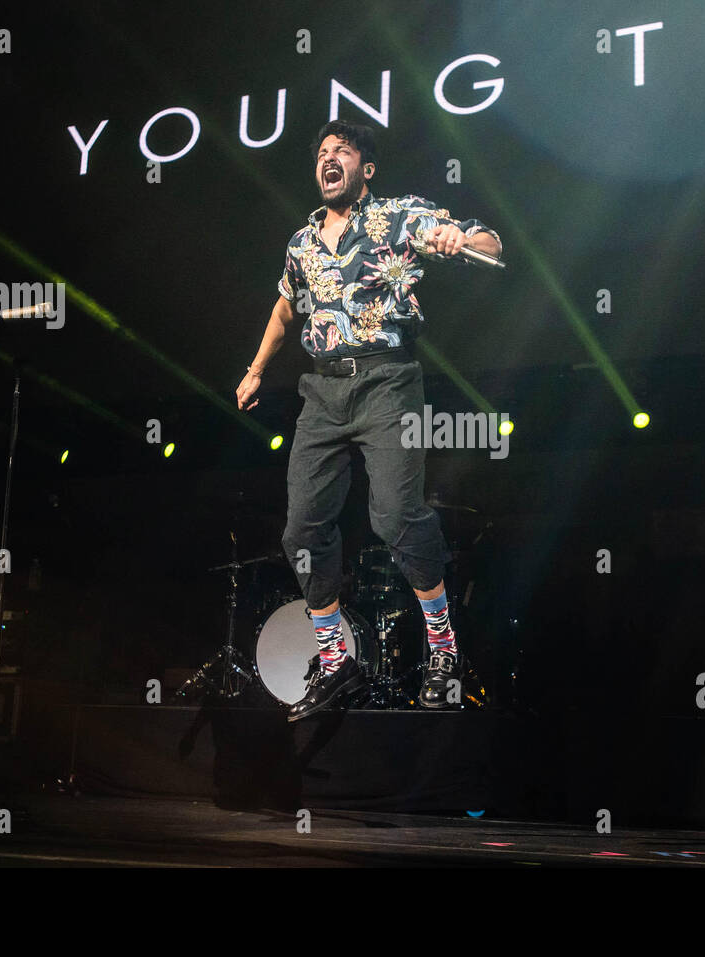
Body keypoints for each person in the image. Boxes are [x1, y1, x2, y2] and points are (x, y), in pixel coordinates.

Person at [235, 120, 502, 721]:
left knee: (395, 516)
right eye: (321, 153)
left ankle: (442, 649)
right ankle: (336, 663)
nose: (328, 159)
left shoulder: (399, 215)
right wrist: (255, 370)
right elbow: (285, 306)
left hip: (387, 379)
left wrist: (461, 242)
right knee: (301, 531)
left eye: (342, 152)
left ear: (366, 169)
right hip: (322, 391)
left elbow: (489, 242)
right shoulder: (301, 242)